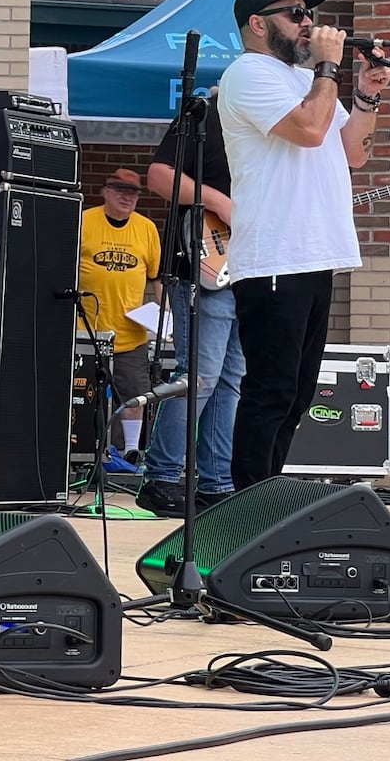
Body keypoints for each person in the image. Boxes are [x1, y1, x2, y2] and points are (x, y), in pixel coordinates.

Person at [216, 0, 390, 490]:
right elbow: (311, 132)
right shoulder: (249, 73)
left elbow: (351, 152)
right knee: (269, 392)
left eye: (308, 14)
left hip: (315, 255)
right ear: (257, 25)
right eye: (295, 15)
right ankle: (247, 506)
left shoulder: (306, 81)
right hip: (275, 257)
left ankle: (268, 499)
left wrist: (364, 95)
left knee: (295, 395)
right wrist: (329, 66)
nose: (308, 23)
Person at [136, 99, 245, 517]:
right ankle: (161, 476)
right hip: (201, 261)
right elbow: (159, 176)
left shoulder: (277, 124)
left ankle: (216, 482)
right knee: (198, 375)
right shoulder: (207, 114)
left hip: (248, 268)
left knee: (230, 379)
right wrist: (218, 200)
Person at [76, 167, 162, 459]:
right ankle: (83, 451)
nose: (128, 198)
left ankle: (131, 450)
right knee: (84, 394)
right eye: (121, 191)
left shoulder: (146, 228)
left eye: (134, 193)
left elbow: (157, 277)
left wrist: (163, 318)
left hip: (131, 332)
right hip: (85, 328)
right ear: (106, 192)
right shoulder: (84, 221)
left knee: (135, 393)